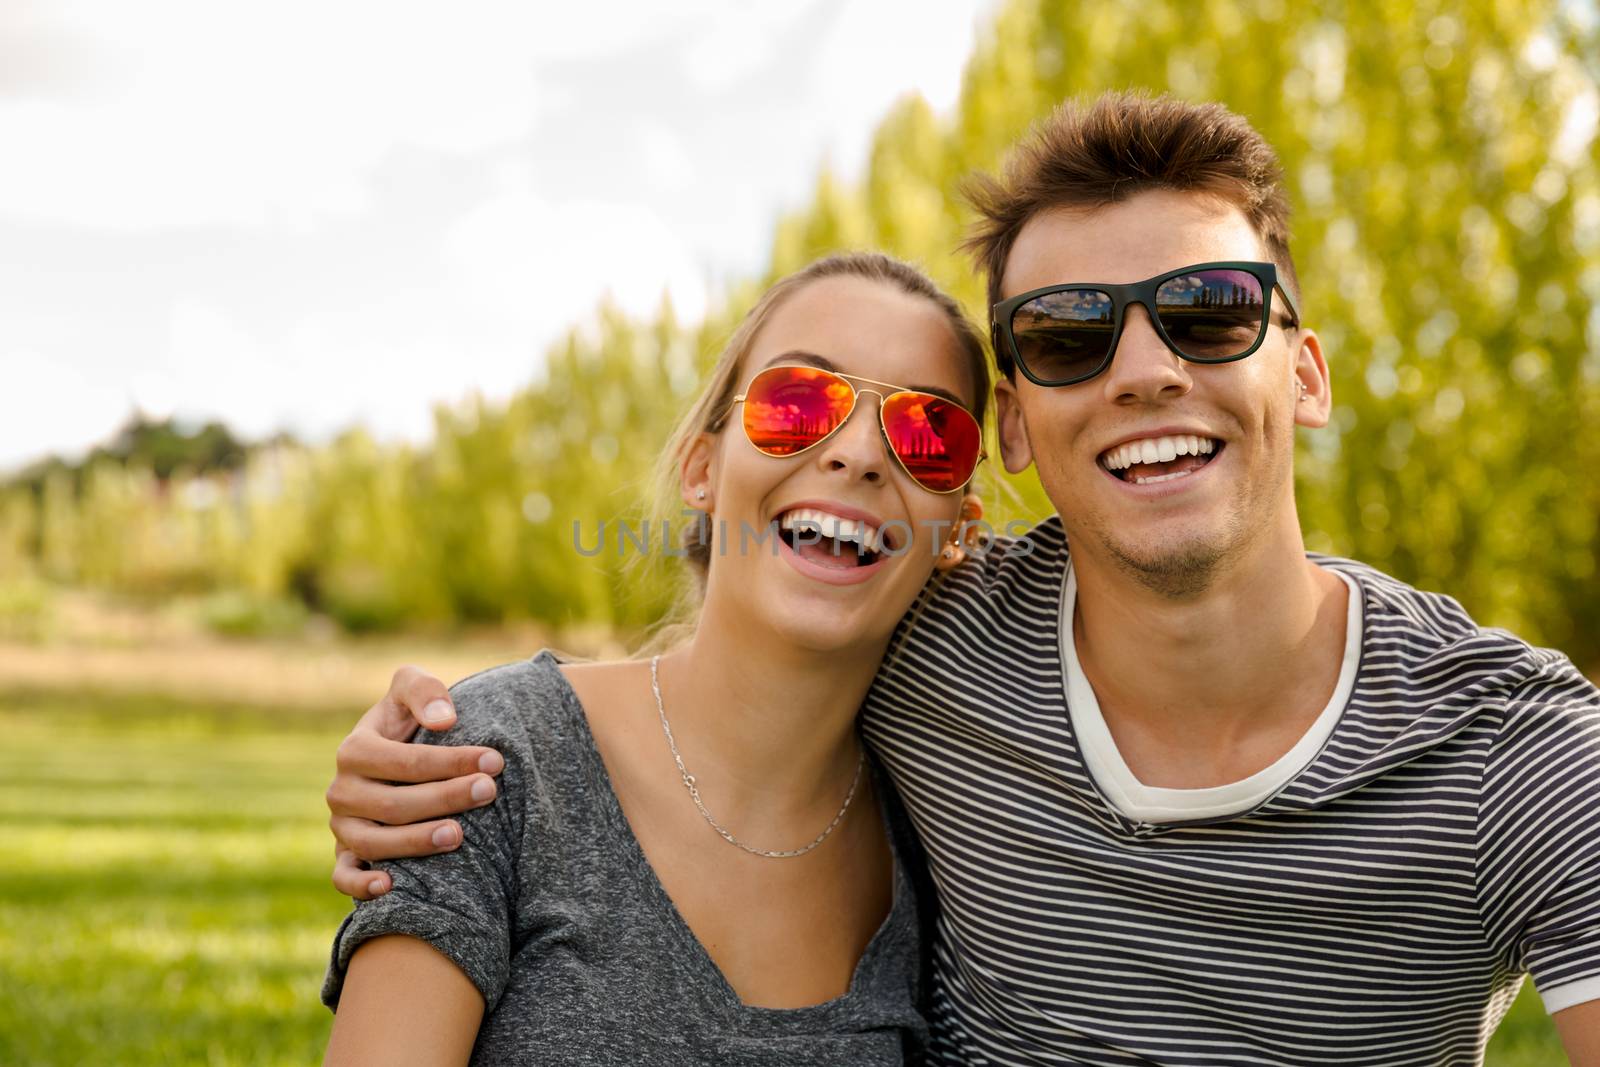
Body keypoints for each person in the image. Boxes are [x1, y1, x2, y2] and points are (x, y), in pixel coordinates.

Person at [325, 93, 1600, 1065]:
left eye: (1209, 312)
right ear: (1018, 436)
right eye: (1065, 336)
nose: (1144, 368)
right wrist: (435, 748)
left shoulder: (1513, 757)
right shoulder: (929, 652)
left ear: (1305, 372)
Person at [320, 252, 995, 1065]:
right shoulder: (494, 758)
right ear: (703, 470)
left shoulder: (938, 843)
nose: (859, 455)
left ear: (958, 530)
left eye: (930, 433)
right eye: (798, 404)